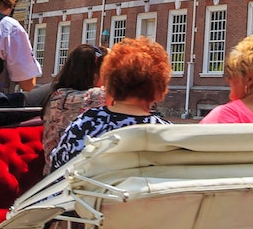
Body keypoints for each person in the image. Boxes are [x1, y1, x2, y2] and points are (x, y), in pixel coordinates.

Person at [50, 38, 170, 168]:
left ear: (110, 82)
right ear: (159, 89)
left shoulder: (86, 123)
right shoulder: (169, 134)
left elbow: (58, 172)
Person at [41, 44, 107, 169]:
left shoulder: (57, 95)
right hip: (66, 177)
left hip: (54, 172)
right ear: (94, 74)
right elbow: (126, 92)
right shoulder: (91, 97)